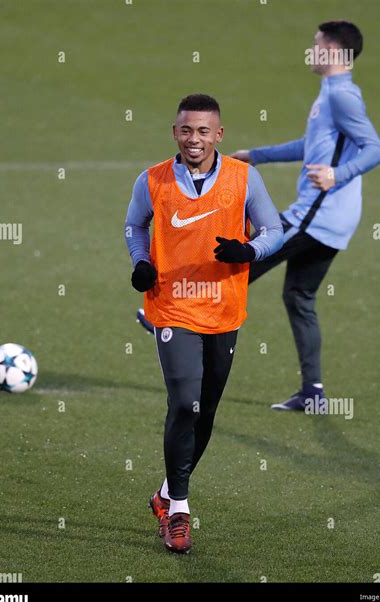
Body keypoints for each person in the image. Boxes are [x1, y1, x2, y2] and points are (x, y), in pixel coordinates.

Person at [137, 20, 380, 412]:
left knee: (239, 260)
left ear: (334, 52)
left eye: (317, 45)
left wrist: (339, 173)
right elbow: (313, 144)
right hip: (336, 221)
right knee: (299, 295)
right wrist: (260, 155)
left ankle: (173, 319)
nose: (311, 50)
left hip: (317, 216)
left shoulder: (343, 97)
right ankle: (314, 393)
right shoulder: (333, 93)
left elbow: (375, 149)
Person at [125, 93, 283, 554]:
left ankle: (165, 494)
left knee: (206, 412)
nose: (194, 139)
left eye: (203, 131)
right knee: (185, 405)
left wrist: (248, 251)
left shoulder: (244, 178)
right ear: (175, 132)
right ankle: (180, 513)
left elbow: (274, 231)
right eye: (186, 130)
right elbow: (135, 226)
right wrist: (141, 263)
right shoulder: (152, 179)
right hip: (172, 307)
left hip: (223, 308)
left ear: (219, 134)